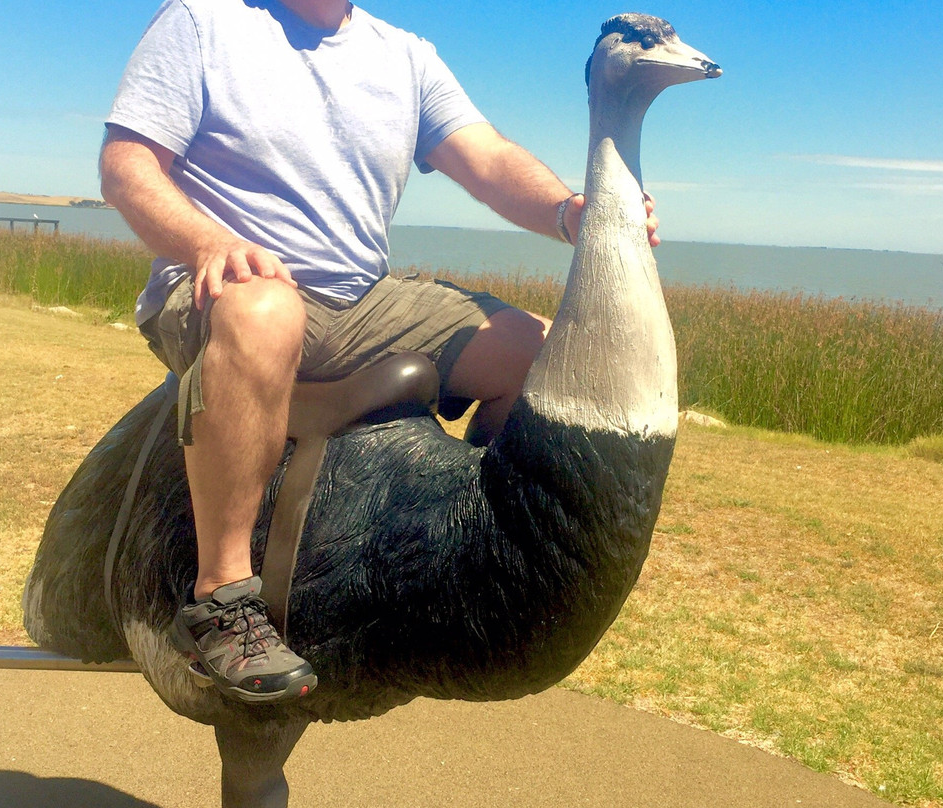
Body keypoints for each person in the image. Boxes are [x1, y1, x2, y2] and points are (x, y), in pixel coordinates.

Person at [99, 0, 659, 705]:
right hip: (223, 290)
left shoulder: (405, 55)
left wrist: (567, 211)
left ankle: (471, 546)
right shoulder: (202, 22)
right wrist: (209, 243)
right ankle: (221, 600)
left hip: (358, 300)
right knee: (268, 310)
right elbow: (127, 167)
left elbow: (486, 159)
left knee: (538, 350)